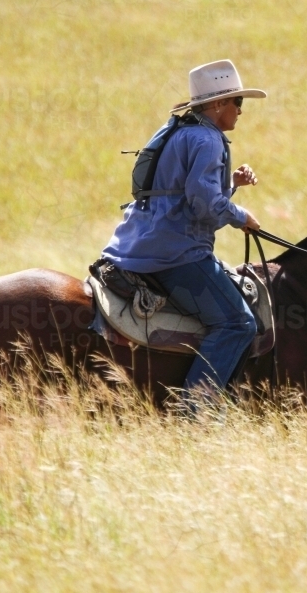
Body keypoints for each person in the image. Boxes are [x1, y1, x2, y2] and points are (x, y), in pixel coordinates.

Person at [101, 59, 265, 407]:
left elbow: (176, 192)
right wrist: (241, 216)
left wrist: (229, 184)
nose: (241, 111)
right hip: (175, 252)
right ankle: (194, 412)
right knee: (239, 324)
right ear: (218, 104)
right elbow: (204, 203)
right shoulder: (208, 139)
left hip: (134, 244)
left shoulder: (177, 130)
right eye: (238, 102)